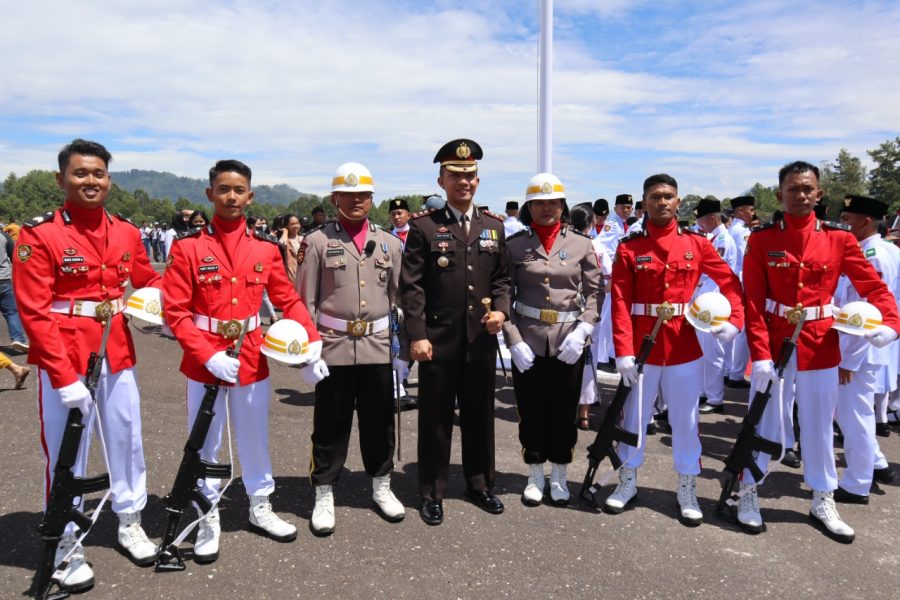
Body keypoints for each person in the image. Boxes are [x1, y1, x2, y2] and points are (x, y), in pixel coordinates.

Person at [13, 139, 161, 592]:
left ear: (109, 181)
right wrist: (61, 376)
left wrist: (159, 302)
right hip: (65, 356)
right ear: (61, 180)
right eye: (80, 173)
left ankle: (130, 519)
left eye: (98, 173)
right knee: (64, 452)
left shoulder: (126, 232)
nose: (90, 181)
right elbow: (34, 312)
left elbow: (148, 278)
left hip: (115, 349)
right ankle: (65, 538)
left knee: (127, 439)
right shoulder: (39, 236)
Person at [162, 159, 321, 562]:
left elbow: (287, 300)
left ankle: (260, 504)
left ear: (250, 196)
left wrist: (311, 344)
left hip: (251, 355)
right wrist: (208, 355)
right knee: (207, 444)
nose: (231, 196)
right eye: (223, 189)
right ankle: (207, 514)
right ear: (209, 194)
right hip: (206, 360)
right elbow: (176, 312)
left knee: (254, 436)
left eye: (239, 190)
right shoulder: (188, 248)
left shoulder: (264, 249)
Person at [738, 161, 900, 543]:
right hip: (775, 344)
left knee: (819, 426)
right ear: (780, 195)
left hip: (819, 344)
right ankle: (748, 491)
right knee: (765, 422)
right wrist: (759, 353)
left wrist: (890, 325)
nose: (801, 194)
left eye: (808, 188)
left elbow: (874, 287)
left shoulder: (839, 240)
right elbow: (753, 302)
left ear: (819, 193)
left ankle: (822, 497)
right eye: (793, 189)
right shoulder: (761, 240)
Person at [605, 173, 744, 526]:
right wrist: (622, 350)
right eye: (654, 196)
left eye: (668, 196)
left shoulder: (696, 244)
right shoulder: (630, 246)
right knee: (634, 418)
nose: (662, 202)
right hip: (642, 347)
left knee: (686, 421)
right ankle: (627, 480)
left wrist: (734, 322)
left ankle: (687, 487)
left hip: (683, 346)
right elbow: (620, 301)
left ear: (678, 202)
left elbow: (730, 281)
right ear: (644, 202)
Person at [400, 138, 511, 525]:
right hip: (438, 339)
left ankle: (480, 484)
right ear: (442, 180)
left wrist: (501, 311)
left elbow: (501, 279)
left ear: (477, 181)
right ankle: (431, 492)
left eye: (469, 176)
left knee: (481, 416)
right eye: (455, 176)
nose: (463, 182)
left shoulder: (493, 227)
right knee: (436, 418)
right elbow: (411, 286)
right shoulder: (425, 228)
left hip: (480, 339)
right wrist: (417, 334)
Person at [297, 162, 405, 535]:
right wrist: (307, 352)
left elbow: (399, 300)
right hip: (333, 347)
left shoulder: (390, 243)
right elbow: (304, 301)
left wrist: (401, 350)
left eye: (363, 195)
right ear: (335, 198)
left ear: (372, 198)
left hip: (376, 346)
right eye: (349, 194)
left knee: (380, 421)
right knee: (330, 424)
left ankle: (381, 484)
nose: (356, 200)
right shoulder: (317, 242)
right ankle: (324, 489)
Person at [504, 174, 601, 505]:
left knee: (563, 409)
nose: (547, 208)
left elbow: (594, 292)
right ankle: (534, 471)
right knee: (530, 409)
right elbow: (505, 295)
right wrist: (513, 339)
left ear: (562, 206)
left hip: (568, 340)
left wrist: (584, 330)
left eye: (553, 202)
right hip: (528, 338)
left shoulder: (581, 244)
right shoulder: (515, 245)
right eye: (539, 203)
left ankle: (559, 473)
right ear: (529, 207)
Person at [831, 195, 898, 503]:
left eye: (848, 219)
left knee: (853, 417)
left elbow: (865, 314)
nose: (844, 224)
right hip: (864, 347)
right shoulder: (883, 249)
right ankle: (877, 463)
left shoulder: (872, 255)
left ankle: (857, 484)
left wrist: (849, 360)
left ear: (866, 221)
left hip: (861, 349)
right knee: (855, 414)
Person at [693, 199, 739, 415]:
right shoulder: (712, 238)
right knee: (704, 351)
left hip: (715, 303)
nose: (699, 225)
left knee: (713, 352)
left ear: (712, 218)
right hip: (706, 301)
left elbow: (718, 274)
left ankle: (715, 397)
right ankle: (705, 391)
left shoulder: (723, 240)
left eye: (701, 220)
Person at [726, 195, 755, 389]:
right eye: (750, 210)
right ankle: (736, 373)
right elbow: (748, 260)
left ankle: (731, 371)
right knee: (743, 331)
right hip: (744, 282)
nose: (753, 213)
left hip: (736, 283)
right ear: (741, 211)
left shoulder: (733, 229)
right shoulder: (742, 231)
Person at [1, 230, 29, 351]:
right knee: (11, 312)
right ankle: (18, 339)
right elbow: (15, 257)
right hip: (3, 279)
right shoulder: (3, 236)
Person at [278, 214, 303, 284]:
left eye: (297, 223)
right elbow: (282, 243)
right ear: (287, 226)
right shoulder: (287, 240)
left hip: (305, 274)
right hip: (292, 275)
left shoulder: (303, 238)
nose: (296, 226)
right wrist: (285, 231)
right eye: (293, 224)